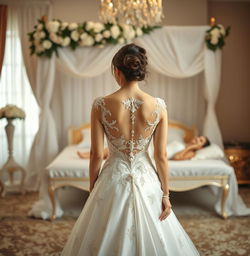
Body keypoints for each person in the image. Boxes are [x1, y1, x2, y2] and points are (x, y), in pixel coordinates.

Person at [61, 44, 199, 256]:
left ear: (117, 71)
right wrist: (165, 195)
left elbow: (96, 154)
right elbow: (160, 156)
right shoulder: (159, 106)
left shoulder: (101, 104)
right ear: (140, 72)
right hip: (147, 179)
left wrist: (93, 188)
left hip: (113, 177)